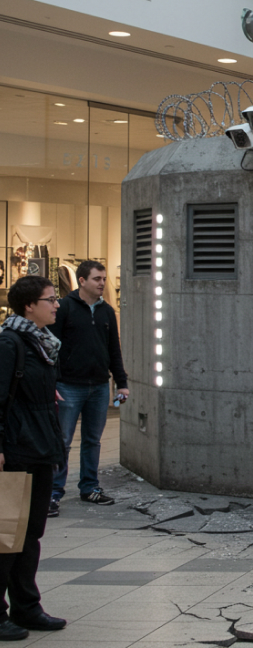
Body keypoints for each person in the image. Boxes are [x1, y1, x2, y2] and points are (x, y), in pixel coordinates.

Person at [0, 276, 68, 640]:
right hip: (16, 450)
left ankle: (27, 608)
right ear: (29, 306)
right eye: (50, 299)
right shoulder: (9, 343)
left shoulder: (42, 344)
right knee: (6, 535)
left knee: (30, 534)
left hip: (40, 448)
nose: (56, 305)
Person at [47, 261, 128, 514]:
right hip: (68, 386)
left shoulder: (107, 311)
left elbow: (113, 349)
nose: (102, 283)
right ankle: (53, 492)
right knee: (62, 441)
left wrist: (122, 383)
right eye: (97, 279)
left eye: (103, 278)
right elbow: (51, 348)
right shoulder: (64, 307)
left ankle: (90, 487)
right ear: (81, 281)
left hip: (99, 386)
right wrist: (51, 382)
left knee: (93, 440)